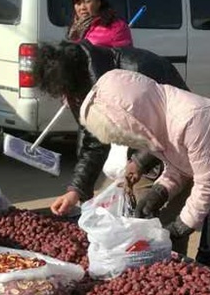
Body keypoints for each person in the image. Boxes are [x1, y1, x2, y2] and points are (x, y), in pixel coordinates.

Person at [81, 70, 210, 284]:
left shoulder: (194, 118)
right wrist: (160, 191)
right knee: (207, 259)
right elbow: (182, 164)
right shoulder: (155, 119)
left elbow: (208, 181)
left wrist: (181, 226)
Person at [34, 41, 187, 219]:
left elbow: (172, 127)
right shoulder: (79, 89)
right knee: (118, 214)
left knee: (157, 224)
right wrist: (76, 189)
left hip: (173, 155)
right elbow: (93, 140)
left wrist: (140, 162)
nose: (66, 99)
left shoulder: (140, 69)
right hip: (137, 155)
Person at [67, 0, 132, 48]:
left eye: (87, 2)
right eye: (78, 4)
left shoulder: (116, 27)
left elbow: (124, 55)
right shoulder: (74, 28)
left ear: (98, 2)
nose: (82, 7)